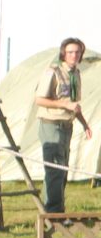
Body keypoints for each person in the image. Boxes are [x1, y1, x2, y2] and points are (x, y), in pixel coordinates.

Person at [35, 36, 89, 216]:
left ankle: (55, 210)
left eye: (77, 52)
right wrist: (64, 105)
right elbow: (39, 99)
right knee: (55, 170)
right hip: (51, 124)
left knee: (62, 170)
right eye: (70, 52)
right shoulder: (54, 72)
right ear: (63, 54)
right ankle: (53, 214)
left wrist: (84, 123)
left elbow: (73, 103)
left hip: (67, 125)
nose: (74, 55)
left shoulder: (75, 75)